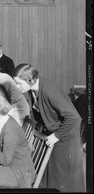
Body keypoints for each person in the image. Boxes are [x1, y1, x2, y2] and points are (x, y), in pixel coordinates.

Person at [13, 63, 85, 192]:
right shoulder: (32, 88)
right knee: (52, 177)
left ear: (31, 80)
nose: (17, 87)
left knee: (64, 179)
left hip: (65, 137)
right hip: (53, 134)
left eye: (19, 83)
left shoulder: (48, 91)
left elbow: (74, 118)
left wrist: (57, 136)